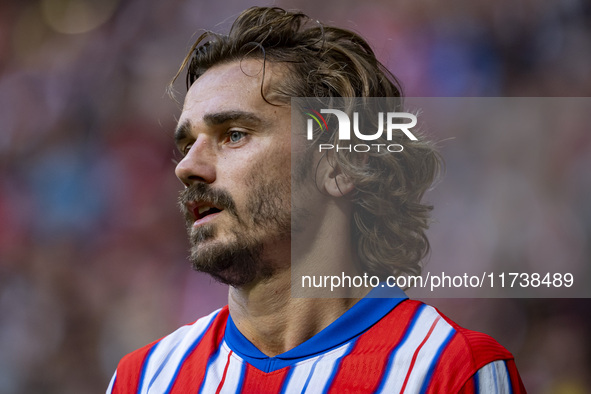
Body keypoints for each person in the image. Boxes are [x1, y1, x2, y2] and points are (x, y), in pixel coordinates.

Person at [107, 6, 526, 393]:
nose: (186, 168)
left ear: (339, 164)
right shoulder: (145, 379)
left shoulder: (451, 371)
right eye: (187, 144)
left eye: (234, 134)